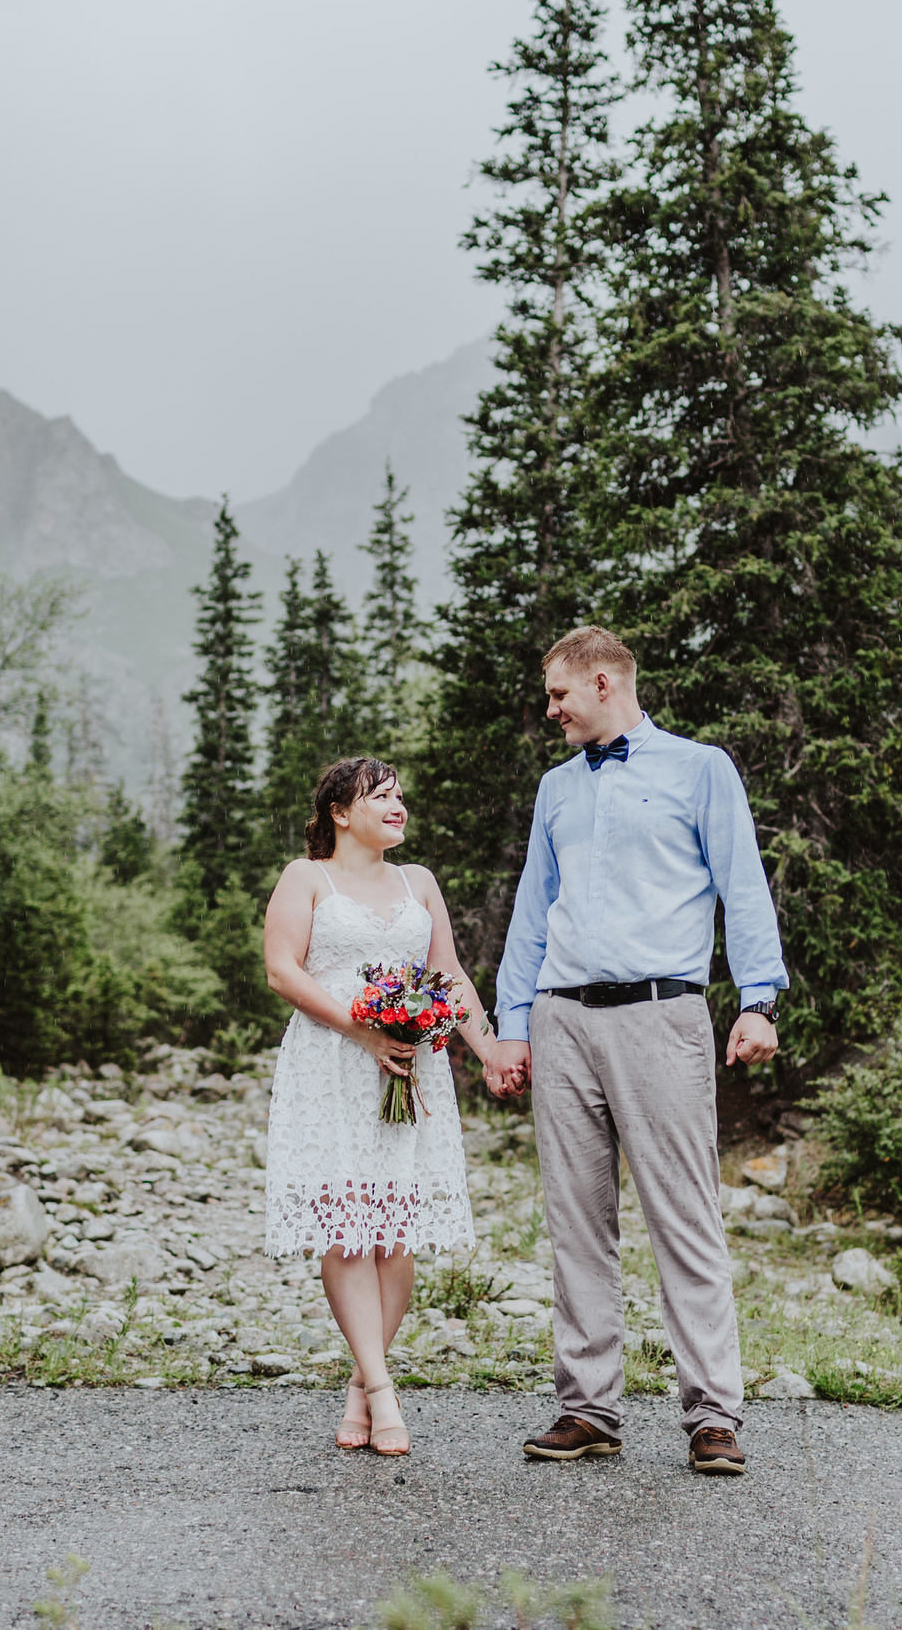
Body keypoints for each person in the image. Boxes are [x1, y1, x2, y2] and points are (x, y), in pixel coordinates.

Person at [486, 625, 787, 1477]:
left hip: (663, 1016)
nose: (550, 711)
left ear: (604, 680)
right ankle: (588, 1408)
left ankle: (713, 1416)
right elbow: (531, 911)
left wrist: (757, 998)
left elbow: (743, 883)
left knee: (683, 1216)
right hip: (563, 1016)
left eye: (558, 695)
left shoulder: (700, 768)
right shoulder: (555, 788)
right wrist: (514, 1025)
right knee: (577, 1221)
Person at [259, 755, 504, 1456]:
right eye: (382, 795)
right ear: (341, 811)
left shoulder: (417, 882)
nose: (398, 804)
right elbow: (283, 968)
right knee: (347, 1229)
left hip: (409, 1067)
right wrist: (360, 1028)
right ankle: (384, 1391)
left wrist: (486, 1050)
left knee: (395, 1234)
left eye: (401, 795)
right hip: (331, 1066)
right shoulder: (307, 877)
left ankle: (360, 1383)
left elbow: (447, 974)